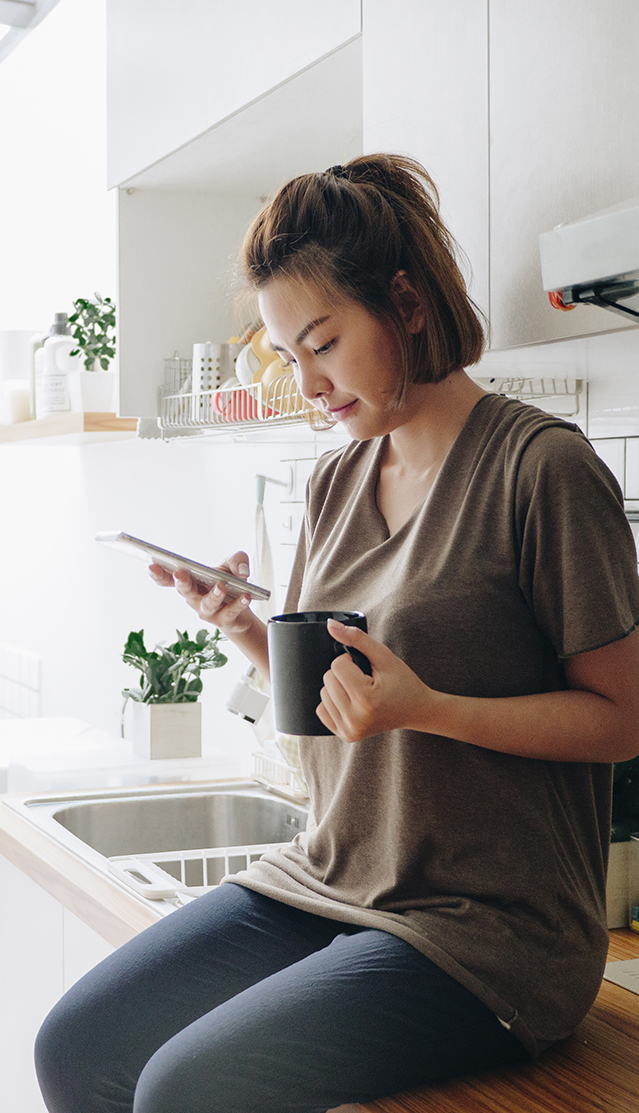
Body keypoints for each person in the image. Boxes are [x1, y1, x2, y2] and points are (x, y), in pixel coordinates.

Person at [35, 155, 639, 1113]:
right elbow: (331, 700)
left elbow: (620, 720)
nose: (307, 383)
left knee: (186, 1091)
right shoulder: (335, 482)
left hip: (489, 931)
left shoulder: (541, 470)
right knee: (76, 1049)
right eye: (289, 355)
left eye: (321, 343)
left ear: (403, 303)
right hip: (330, 879)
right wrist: (241, 626)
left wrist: (430, 708)